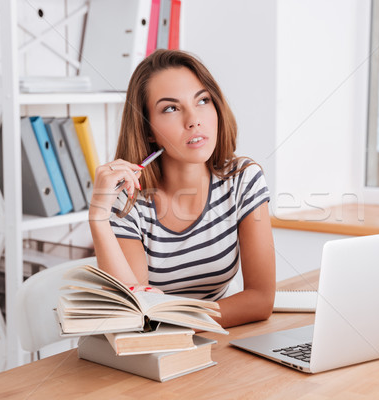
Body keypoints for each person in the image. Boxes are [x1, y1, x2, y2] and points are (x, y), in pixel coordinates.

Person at [88, 49, 275, 328]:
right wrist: (98, 218)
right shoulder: (128, 201)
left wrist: (178, 319)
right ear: (148, 129)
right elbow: (136, 315)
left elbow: (260, 299)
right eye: (171, 108)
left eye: (202, 100)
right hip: (147, 354)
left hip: (209, 342)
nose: (193, 120)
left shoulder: (243, 180)